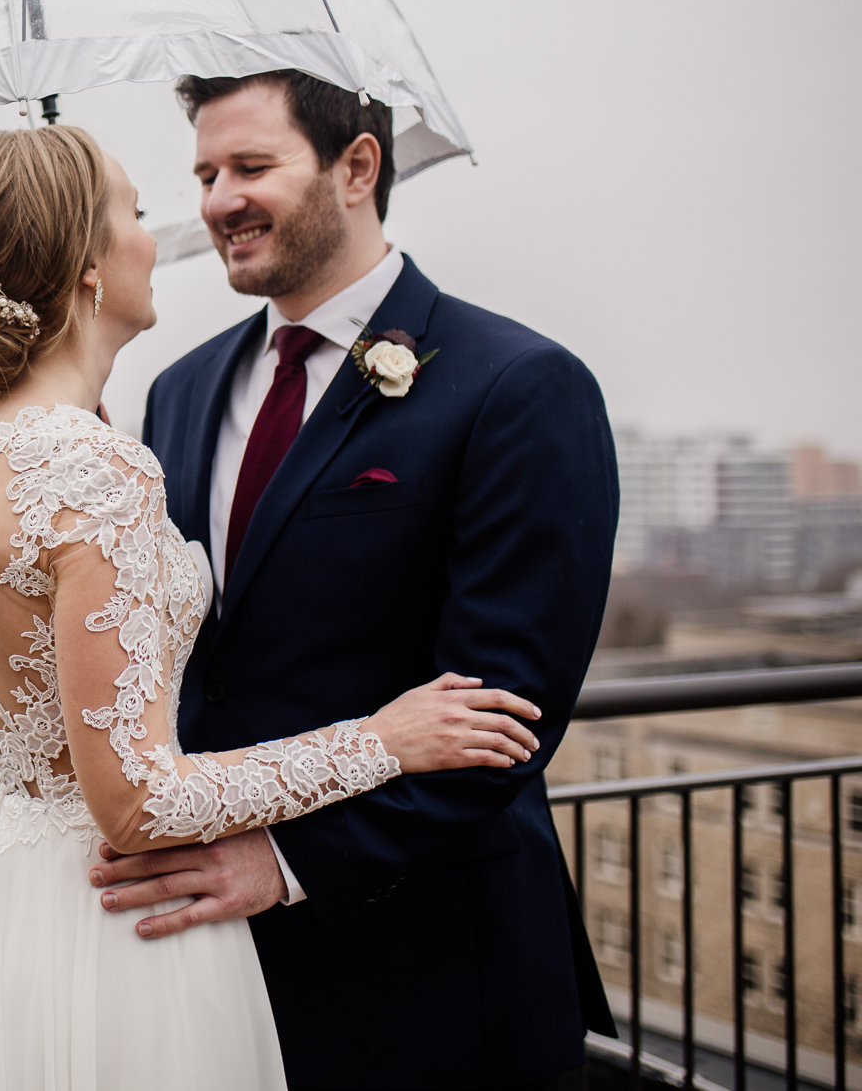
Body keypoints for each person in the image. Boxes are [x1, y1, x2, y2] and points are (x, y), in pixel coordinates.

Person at [0, 124, 544, 1091]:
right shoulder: (97, 466)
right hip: (128, 925)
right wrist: (385, 738)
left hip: (6, 912)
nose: (161, 233)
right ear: (83, 266)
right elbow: (141, 801)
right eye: (134, 210)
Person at [93, 70, 618, 1090]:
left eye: (250, 166)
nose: (215, 201)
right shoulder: (178, 389)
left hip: (430, 967)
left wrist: (282, 863)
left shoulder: (514, 385)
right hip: (214, 957)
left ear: (357, 168)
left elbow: (500, 712)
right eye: (203, 173)